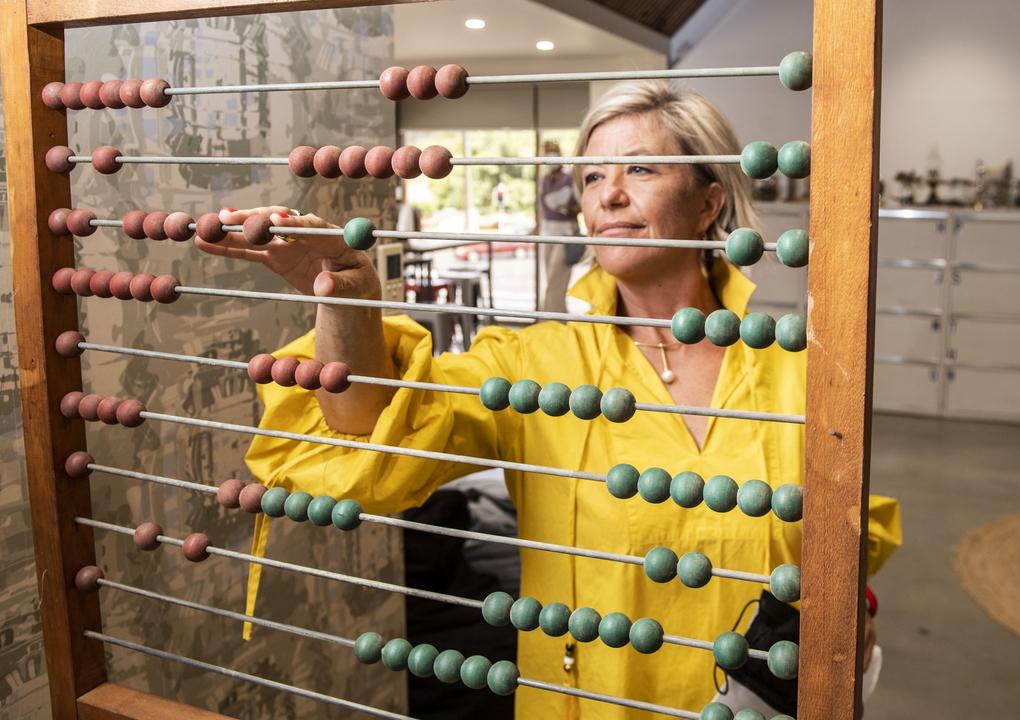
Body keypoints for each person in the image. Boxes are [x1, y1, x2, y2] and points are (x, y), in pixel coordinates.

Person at [198, 80, 901, 719]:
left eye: (641, 169)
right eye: (593, 176)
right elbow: (372, 434)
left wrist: (848, 618)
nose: (607, 195)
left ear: (710, 198)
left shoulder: (798, 370)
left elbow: (851, 529)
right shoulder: (537, 370)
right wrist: (350, 300)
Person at [536, 140, 582, 312]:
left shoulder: (570, 179)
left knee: (556, 283)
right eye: (547, 152)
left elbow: (583, 205)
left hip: (566, 234)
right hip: (547, 234)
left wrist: (568, 208)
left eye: (553, 152)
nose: (550, 156)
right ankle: (554, 321)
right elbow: (541, 208)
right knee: (551, 281)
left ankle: (550, 321)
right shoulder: (544, 180)